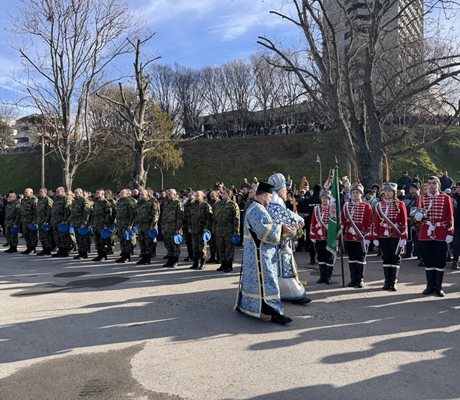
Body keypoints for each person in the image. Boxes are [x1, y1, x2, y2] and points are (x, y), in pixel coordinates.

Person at [236, 181, 295, 325]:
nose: (270, 200)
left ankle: (257, 307)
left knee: (257, 282)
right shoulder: (257, 210)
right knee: (268, 281)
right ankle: (275, 313)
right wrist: (282, 229)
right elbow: (265, 231)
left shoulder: (256, 207)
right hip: (261, 255)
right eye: (270, 197)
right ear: (264, 196)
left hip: (258, 252)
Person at [267, 173, 311, 304]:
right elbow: (285, 216)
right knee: (284, 270)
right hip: (278, 245)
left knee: (282, 270)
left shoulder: (274, 201)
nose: (286, 191)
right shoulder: (275, 202)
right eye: (284, 188)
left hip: (278, 243)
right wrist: (299, 219)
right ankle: (292, 294)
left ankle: (285, 292)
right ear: (280, 188)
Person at [418, 176, 454, 297]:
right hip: (426, 232)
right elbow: (419, 216)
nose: (431, 185)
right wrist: (418, 217)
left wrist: (450, 233)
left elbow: (450, 217)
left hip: (440, 232)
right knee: (428, 260)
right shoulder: (422, 198)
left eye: (434, 183)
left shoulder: (445, 198)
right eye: (429, 183)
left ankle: (438, 287)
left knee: (439, 260)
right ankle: (429, 286)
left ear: (438, 184)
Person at [373, 182, 408, 291]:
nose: (387, 193)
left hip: (396, 234)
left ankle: (394, 282)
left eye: (390, 191)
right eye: (386, 191)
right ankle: (387, 281)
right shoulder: (379, 205)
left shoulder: (401, 204)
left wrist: (404, 236)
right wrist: (375, 237)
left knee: (395, 257)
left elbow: (404, 221)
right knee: (386, 257)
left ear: (394, 192)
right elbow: (376, 221)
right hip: (383, 234)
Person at [341, 183, 373, 288]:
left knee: (361, 258)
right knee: (351, 258)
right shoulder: (346, 206)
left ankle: (360, 279)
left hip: (362, 237)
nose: (355, 195)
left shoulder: (366, 206)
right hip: (350, 236)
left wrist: (367, 237)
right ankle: (353, 279)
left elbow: (369, 223)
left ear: (361, 194)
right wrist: (345, 228)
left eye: (357, 193)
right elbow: (342, 221)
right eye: (353, 193)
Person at [310, 190, 335, 285]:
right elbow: (313, 222)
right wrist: (312, 235)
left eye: (326, 198)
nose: (324, 200)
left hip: (330, 236)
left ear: (329, 199)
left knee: (329, 257)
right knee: (320, 257)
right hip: (319, 236)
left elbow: (336, 222)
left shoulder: (333, 209)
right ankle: (322, 276)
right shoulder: (316, 209)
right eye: (323, 198)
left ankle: (328, 277)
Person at [213, 188, 240, 272]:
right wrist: (214, 228)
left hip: (229, 230)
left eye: (224, 193)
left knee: (229, 248)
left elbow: (236, 219)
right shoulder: (217, 204)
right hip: (219, 230)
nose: (222, 194)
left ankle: (229, 265)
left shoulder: (233, 205)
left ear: (229, 194)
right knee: (221, 248)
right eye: (222, 193)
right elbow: (214, 218)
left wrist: (236, 231)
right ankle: (223, 264)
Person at [135, 188, 160, 265]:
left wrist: (153, 226)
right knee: (141, 242)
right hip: (140, 225)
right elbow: (137, 214)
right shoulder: (139, 203)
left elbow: (155, 215)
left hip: (148, 225)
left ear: (147, 194)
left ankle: (147, 258)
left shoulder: (152, 203)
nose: (141, 196)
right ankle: (143, 257)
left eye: (143, 194)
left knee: (148, 242)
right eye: (140, 194)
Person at [189, 190, 212, 270]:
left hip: (202, 230)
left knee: (202, 247)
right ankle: (195, 263)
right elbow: (190, 217)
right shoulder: (192, 205)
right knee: (194, 247)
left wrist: (206, 228)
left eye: (198, 195)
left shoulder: (206, 205)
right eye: (195, 195)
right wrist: (189, 227)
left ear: (202, 196)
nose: (196, 196)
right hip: (194, 229)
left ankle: (202, 263)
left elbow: (209, 218)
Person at [160, 189, 184, 268]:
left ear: (174, 194)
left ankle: (175, 260)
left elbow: (180, 217)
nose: (169, 195)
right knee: (168, 244)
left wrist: (178, 228)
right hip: (166, 227)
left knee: (175, 245)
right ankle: (170, 259)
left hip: (174, 227)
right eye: (168, 194)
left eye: (170, 194)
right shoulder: (166, 203)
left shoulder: (178, 203)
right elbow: (163, 215)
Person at [69, 188, 92, 259]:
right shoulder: (75, 201)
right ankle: (80, 252)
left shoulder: (84, 201)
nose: (75, 194)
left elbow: (87, 213)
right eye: (75, 192)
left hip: (81, 223)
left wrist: (84, 223)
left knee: (83, 239)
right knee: (78, 239)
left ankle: (84, 253)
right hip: (75, 223)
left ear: (81, 193)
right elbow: (73, 213)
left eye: (77, 192)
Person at [91, 189, 114, 262]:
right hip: (95, 224)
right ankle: (99, 254)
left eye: (98, 193)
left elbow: (109, 215)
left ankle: (104, 255)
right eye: (96, 192)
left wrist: (106, 224)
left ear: (102, 194)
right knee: (97, 241)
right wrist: (92, 224)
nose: (96, 194)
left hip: (102, 225)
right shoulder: (96, 203)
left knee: (103, 241)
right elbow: (93, 215)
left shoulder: (105, 203)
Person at [50, 187, 73, 257]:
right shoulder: (56, 200)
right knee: (57, 237)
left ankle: (65, 251)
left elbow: (68, 210)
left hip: (62, 222)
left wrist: (65, 220)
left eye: (58, 192)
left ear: (63, 192)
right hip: (55, 222)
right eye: (56, 192)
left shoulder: (66, 199)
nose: (56, 193)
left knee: (64, 237)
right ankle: (60, 250)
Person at [115, 189, 136, 263]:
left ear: (127, 194)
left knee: (127, 240)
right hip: (120, 224)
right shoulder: (119, 202)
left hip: (126, 224)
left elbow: (132, 214)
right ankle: (123, 255)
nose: (120, 194)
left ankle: (127, 256)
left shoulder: (129, 202)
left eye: (122, 193)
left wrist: (130, 224)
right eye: (120, 193)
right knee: (121, 240)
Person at [34, 188, 54, 256]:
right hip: (40, 221)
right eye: (39, 191)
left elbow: (49, 211)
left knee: (46, 236)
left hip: (45, 221)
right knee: (41, 236)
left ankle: (48, 250)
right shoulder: (39, 200)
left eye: (41, 192)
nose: (40, 193)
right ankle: (44, 249)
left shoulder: (48, 200)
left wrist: (47, 220)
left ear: (45, 192)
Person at [20, 188, 38, 254]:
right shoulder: (23, 200)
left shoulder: (34, 200)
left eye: (26, 192)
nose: (25, 193)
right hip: (24, 221)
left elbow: (35, 212)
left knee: (32, 235)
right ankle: (28, 247)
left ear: (31, 193)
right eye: (25, 192)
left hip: (31, 221)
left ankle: (33, 248)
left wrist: (34, 221)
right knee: (26, 235)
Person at [451, 182, 460, 270]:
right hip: (456, 224)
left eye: (459, 187)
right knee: (456, 243)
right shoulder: (453, 198)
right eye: (457, 187)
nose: (458, 189)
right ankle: (455, 261)